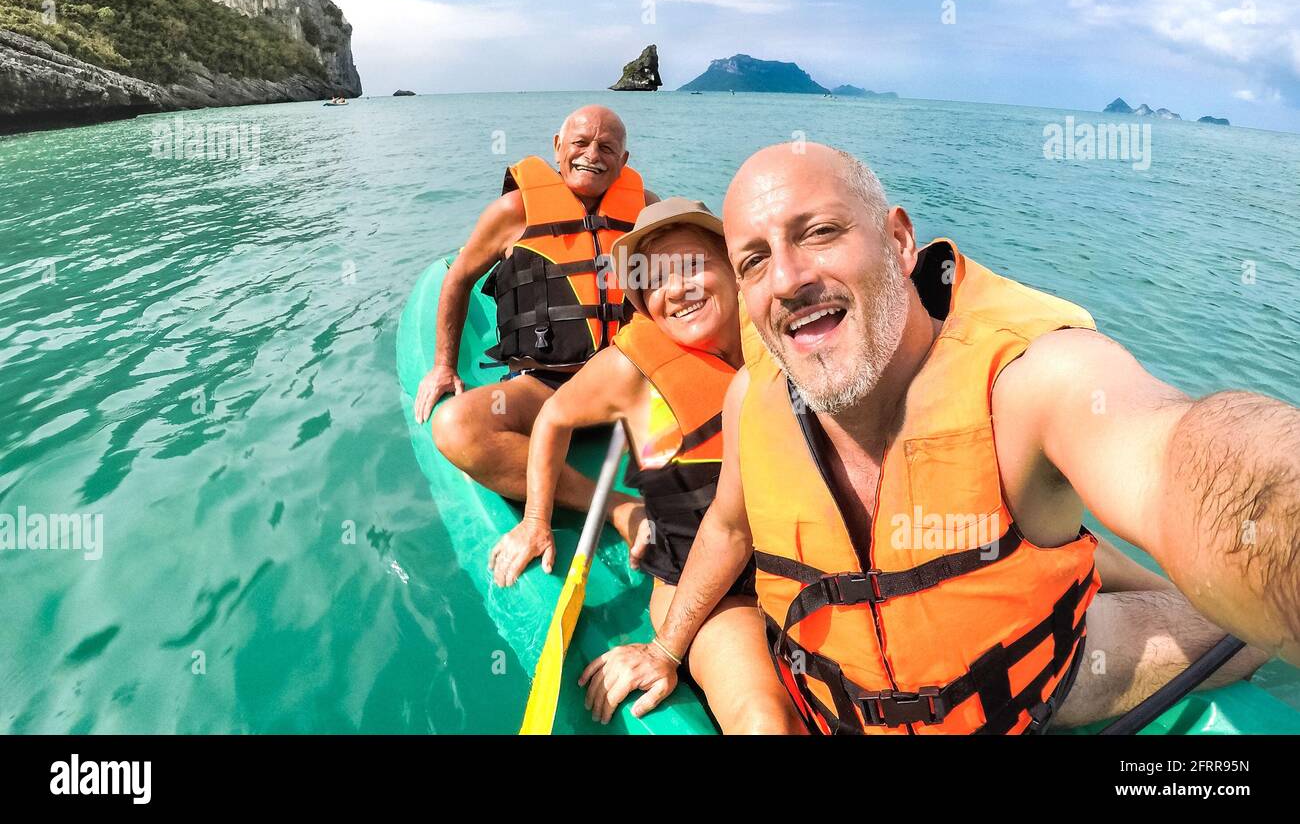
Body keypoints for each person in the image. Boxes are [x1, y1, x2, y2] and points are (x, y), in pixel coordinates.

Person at [581, 142, 1296, 734]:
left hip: (1044, 680)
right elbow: (729, 529)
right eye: (756, 260)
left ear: (898, 239)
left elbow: (1181, 457)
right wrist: (667, 647)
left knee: (1242, 629)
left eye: (820, 232)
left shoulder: (1028, 375)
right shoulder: (753, 399)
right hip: (834, 704)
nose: (789, 278)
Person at [488, 200, 807, 733]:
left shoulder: (795, 346)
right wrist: (536, 520)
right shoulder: (628, 369)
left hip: (804, 568)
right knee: (764, 722)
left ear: (735, 269)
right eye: (655, 281)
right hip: (706, 594)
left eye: (692, 266)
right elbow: (552, 419)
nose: (677, 289)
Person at [417, 106, 656, 548]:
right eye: (580, 143)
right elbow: (459, 279)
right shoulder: (514, 211)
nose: (592, 155)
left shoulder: (647, 210)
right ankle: (616, 507)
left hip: (628, 382)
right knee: (456, 428)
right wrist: (443, 365)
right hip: (545, 386)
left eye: (607, 148)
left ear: (624, 161)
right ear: (557, 147)